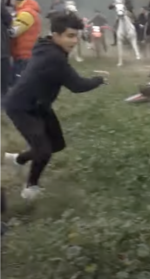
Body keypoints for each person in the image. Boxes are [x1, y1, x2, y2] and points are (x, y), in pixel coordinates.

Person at [3, 11, 107, 200]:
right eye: (69, 36)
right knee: (43, 150)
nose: (75, 41)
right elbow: (77, 86)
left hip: (39, 105)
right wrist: (99, 80)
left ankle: (18, 159)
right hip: (21, 107)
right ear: (56, 35)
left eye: (76, 36)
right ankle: (30, 189)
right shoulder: (54, 58)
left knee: (56, 144)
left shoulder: (46, 45)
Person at [9, 0, 41, 86]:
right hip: (22, 54)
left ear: (16, 0)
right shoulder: (23, 12)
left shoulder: (26, 14)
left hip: (25, 55)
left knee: (19, 84)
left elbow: (13, 31)